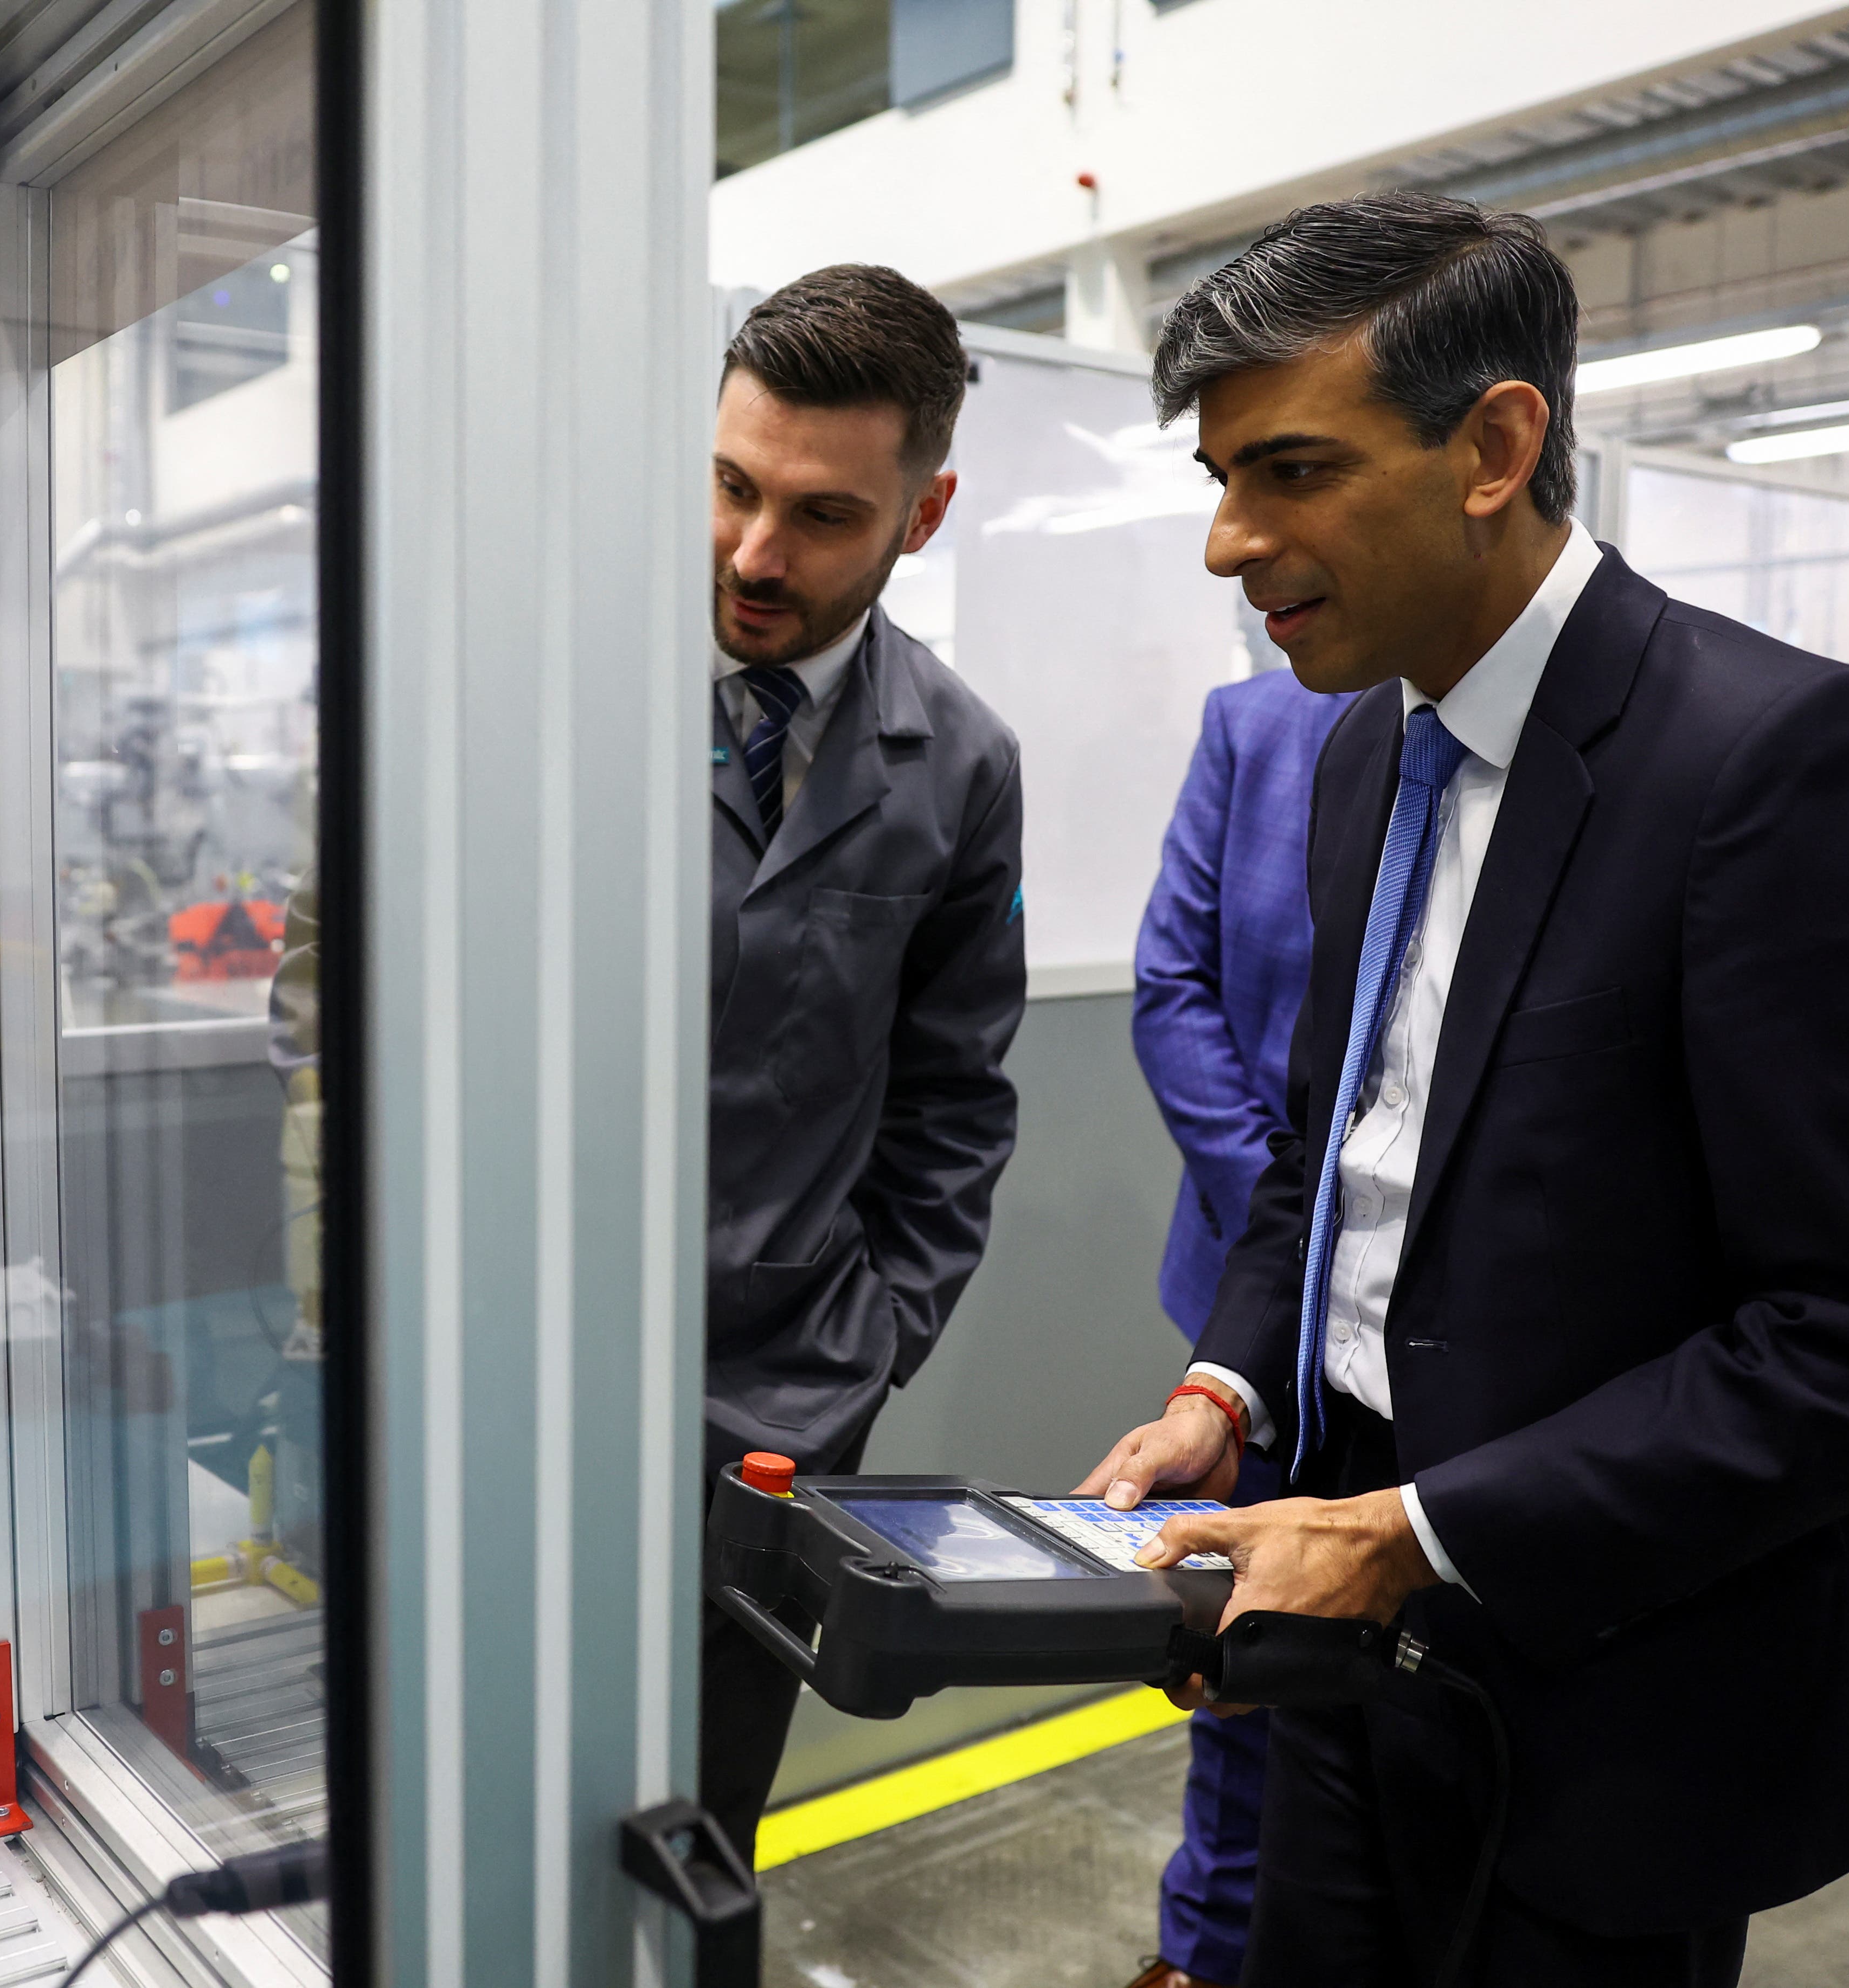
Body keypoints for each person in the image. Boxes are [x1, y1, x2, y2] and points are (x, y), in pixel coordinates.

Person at [1075, 192, 1849, 1987]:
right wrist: (1228, 1377)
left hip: (1604, 1704)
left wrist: (1425, 1531)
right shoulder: (1368, 748)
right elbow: (1343, 1147)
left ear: (1496, 444)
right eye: (1218, 476)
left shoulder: (1775, 764)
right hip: (1334, 1647)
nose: (1226, 541)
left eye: (1287, 471)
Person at [702, 265, 1028, 1862]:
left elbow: (954, 1097)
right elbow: (331, 978)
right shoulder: (542, 690)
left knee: (698, 1829)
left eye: (822, 515)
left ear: (926, 509)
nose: (755, 554)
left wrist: (870, 1344)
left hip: (774, 1407)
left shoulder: (959, 766)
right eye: (731, 485)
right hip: (512, 1381)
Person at [1124, 656, 1341, 1988]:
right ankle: (1201, 1951)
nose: (1240, 541)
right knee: (1238, 1655)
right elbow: (1171, 986)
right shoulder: (1251, 726)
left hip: (1446, 1329)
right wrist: (1295, 1213)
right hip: (1251, 1308)